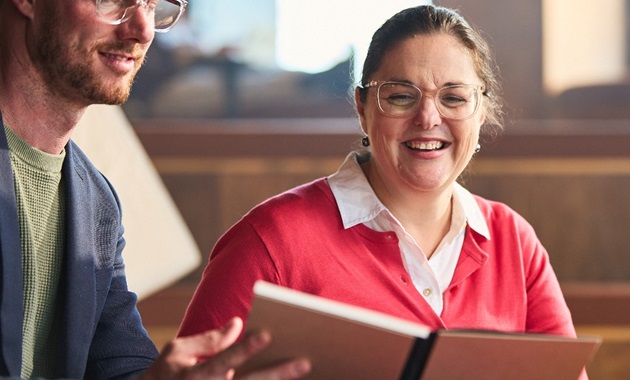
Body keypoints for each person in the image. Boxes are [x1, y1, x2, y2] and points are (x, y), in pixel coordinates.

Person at [178, 4, 588, 379]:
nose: (428, 118)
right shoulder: (271, 240)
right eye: (400, 96)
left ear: (480, 112)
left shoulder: (515, 242)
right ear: (362, 107)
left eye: (454, 97)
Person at [0, 0, 311, 378]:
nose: (143, 30)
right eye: (114, 1)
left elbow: (120, 365)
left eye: (155, 5)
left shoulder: (97, 200)